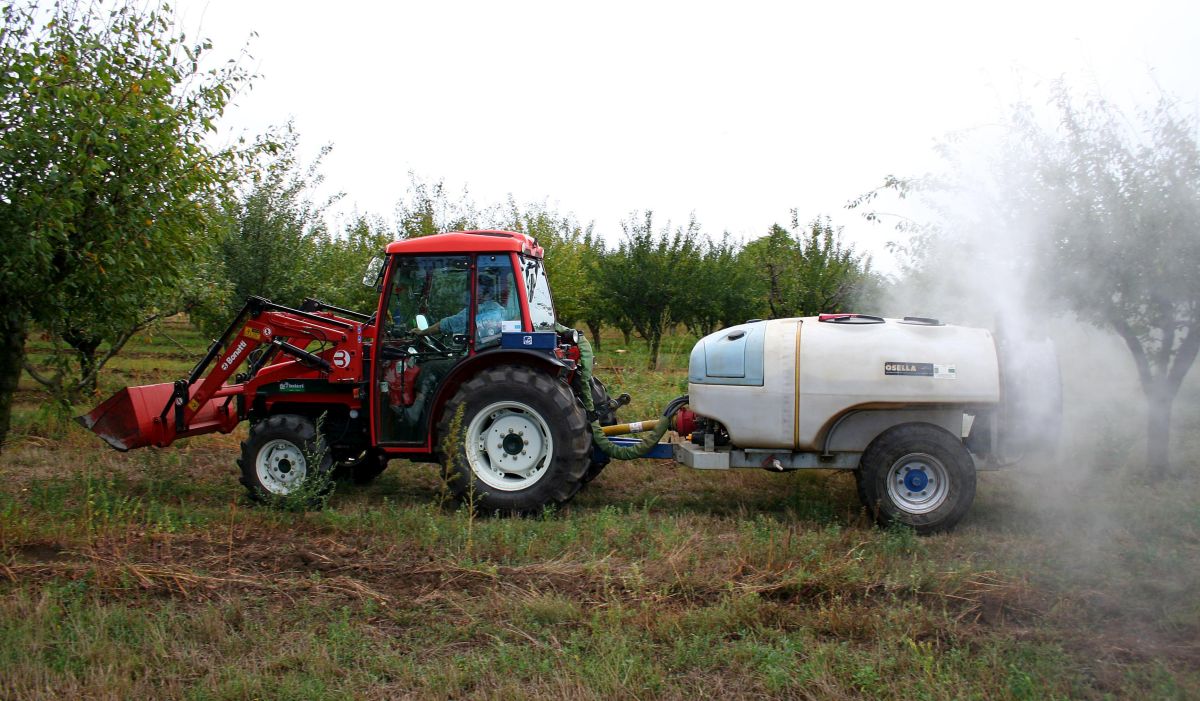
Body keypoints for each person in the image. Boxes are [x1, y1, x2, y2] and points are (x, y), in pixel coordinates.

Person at [413, 274, 507, 345]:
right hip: (489, 353)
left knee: (434, 365)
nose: (471, 294)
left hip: (480, 355)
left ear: (487, 294)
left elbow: (447, 324)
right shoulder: (501, 310)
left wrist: (422, 332)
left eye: (476, 291)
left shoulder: (478, 310)